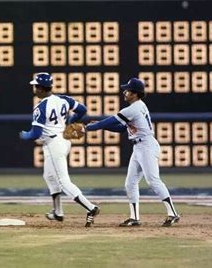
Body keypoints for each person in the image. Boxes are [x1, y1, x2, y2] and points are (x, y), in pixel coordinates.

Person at [84, 77, 180, 227]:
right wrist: (100, 126)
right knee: (130, 183)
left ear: (135, 93)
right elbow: (122, 128)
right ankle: (134, 217)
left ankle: (173, 213)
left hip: (147, 146)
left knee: (153, 180)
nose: (125, 92)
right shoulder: (138, 106)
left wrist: (89, 128)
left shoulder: (132, 109)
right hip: (139, 147)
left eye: (127, 90)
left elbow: (110, 121)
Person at [20, 72, 100, 227]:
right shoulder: (63, 99)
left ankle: (91, 208)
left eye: (36, 87)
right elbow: (82, 110)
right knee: (49, 176)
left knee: (63, 182)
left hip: (53, 145)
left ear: (42, 89)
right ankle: (58, 212)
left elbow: (35, 134)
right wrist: (70, 121)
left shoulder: (41, 107)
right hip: (64, 141)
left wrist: (24, 135)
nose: (34, 89)